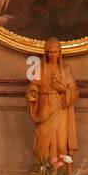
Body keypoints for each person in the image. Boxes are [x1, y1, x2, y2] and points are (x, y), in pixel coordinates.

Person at [26, 38, 77, 168]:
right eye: (51, 52)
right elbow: (33, 87)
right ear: (46, 53)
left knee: (61, 143)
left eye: (56, 52)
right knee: (44, 144)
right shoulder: (39, 68)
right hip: (44, 107)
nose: (54, 55)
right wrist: (32, 93)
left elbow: (74, 91)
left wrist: (63, 89)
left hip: (61, 107)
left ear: (60, 53)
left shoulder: (66, 69)